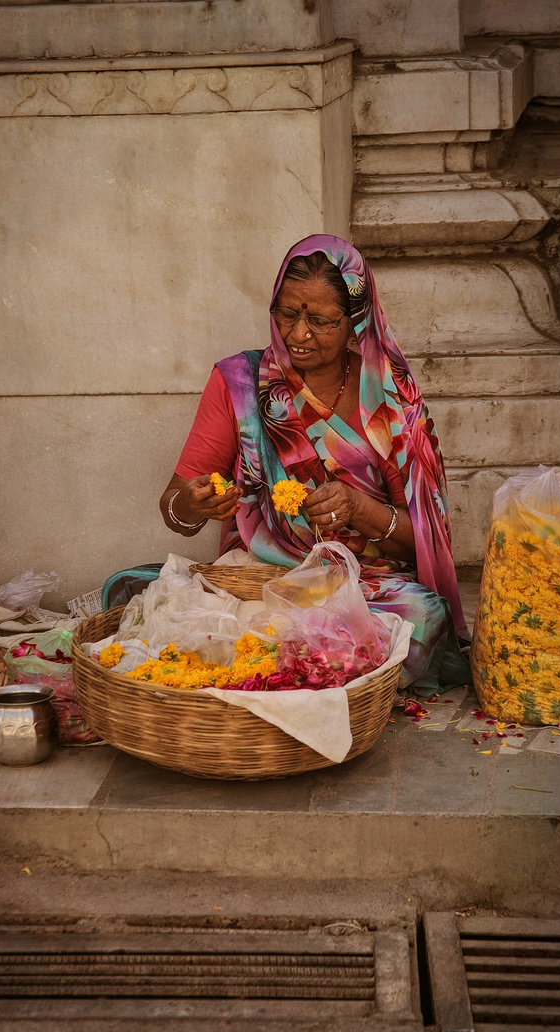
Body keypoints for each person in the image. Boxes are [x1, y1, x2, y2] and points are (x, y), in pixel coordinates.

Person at [160, 235, 471, 697]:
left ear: (355, 323)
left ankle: (289, 674)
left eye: (320, 321)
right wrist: (194, 502)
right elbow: (174, 509)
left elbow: (429, 541)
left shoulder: (392, 399)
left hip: (365, 586)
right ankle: (312, 677)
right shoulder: (240, 383)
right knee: (169, 607)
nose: (297, 335)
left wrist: (360, 510)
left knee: (421, 614)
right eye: (287, 314)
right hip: (264, 577)